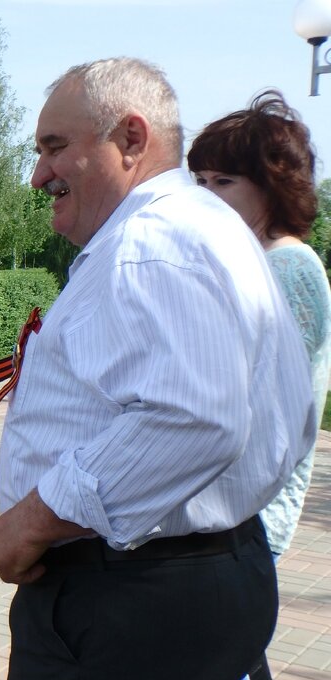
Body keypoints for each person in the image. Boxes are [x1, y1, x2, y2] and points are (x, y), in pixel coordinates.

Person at [0, 58, 317, 680]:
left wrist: (33, 519)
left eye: (56, 147)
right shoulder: (207, 232)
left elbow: (196, 417)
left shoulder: (151, 241)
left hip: (126, 607)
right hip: (197, 585)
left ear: (130, 138)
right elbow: (266, 417)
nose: (38, 173)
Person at [189, 91, 331, 560]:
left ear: (272, 186)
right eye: (200, 180)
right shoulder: (245, 257)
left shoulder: (288, 268)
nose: (205, 195)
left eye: (223, 181)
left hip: (248, 522)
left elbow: (258, 405)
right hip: (221, 512)